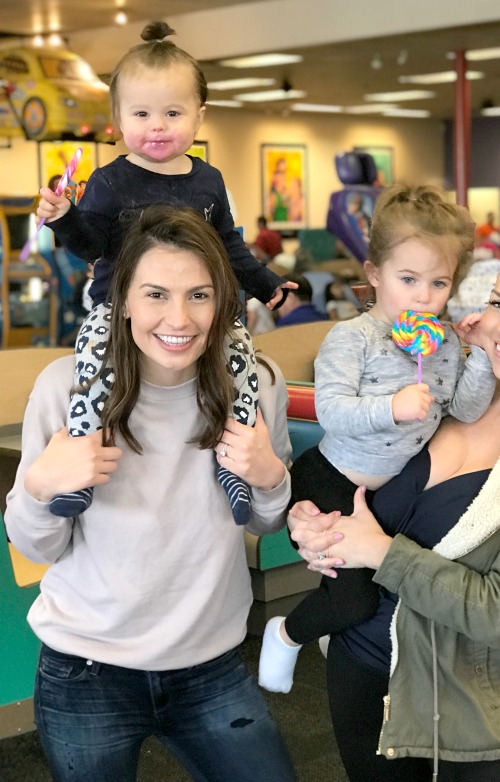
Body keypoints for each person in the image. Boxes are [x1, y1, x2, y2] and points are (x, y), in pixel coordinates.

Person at [288, 231, 500, 781]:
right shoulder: (446, 390)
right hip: (357, 668)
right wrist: (313, 525)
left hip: (458, 708)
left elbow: (499, 610)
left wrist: (380, 552)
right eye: (499, 302)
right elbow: (354, 485)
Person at [4, 205, 297, 782]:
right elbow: (37, 547)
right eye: (156, 294)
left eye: (200, 295)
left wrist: (269, 476)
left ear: (224, 302)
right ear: (124, 301)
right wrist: (41, 482)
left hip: (211, 664)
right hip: (87, 670)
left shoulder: (256, 384)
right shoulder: (67, 388)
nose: (180, 318)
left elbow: (265, 523)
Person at [36, 21, 295, 525]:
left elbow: (229, 248)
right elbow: (90, 247)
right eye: (141, 114)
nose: (157, 126)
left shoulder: (209, 181)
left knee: (241, 362)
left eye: (173, 113)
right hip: (119, 307)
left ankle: (233, 464)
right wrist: (64, 218)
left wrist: (267, 285)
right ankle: (82, 457)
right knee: (92, 368)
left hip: (203, 309)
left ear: (199, 116)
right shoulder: (110, 183)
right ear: (117, 119)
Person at [258, 184, 497, 694]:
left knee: (390, 588)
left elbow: (468, 409)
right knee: (355, 599)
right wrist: (393, 407)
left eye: (438, 283)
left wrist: (480, 355)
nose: (423, 296)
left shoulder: (445, 343)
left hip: (392, 492)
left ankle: (338, 644)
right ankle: (284, 634)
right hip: (331, 480)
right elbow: (332, 410)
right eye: (407, 279)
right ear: (374, 275)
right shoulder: (354, 338)